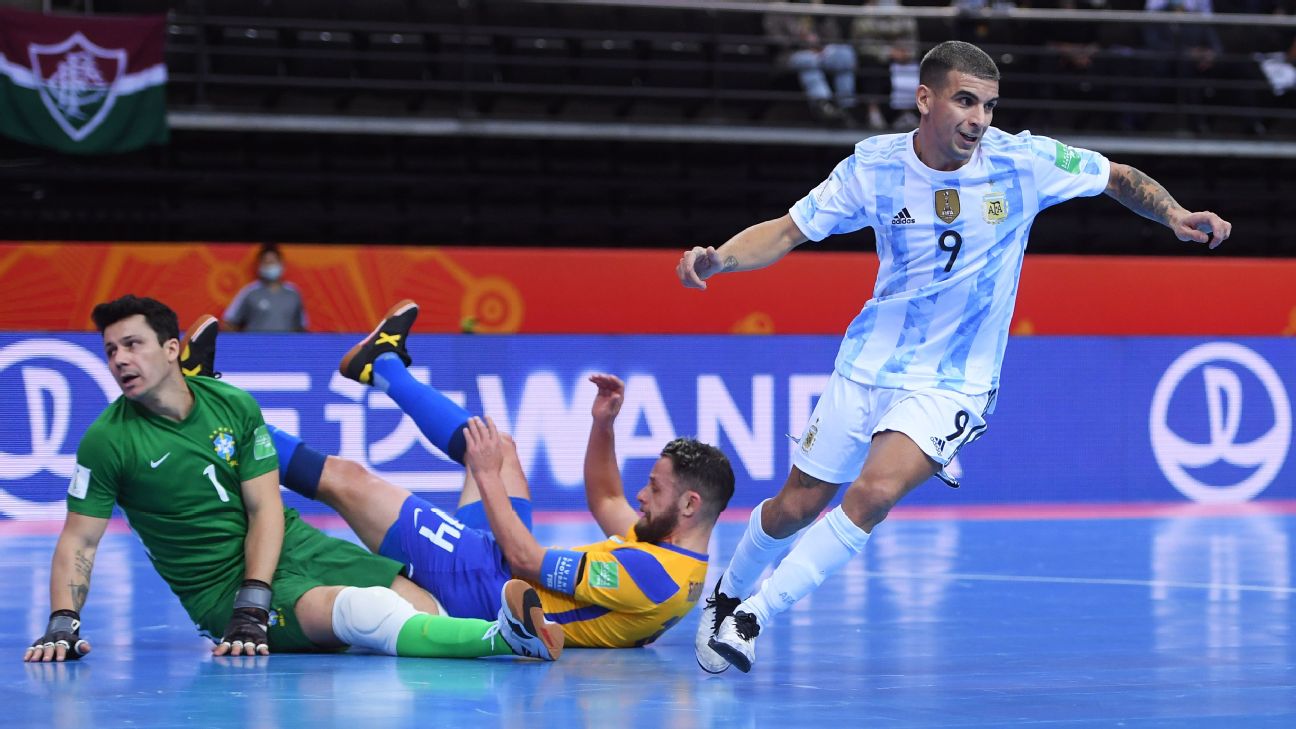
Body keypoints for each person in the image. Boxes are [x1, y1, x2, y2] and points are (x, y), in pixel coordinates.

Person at [677, 40, 1231, 674]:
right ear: (925, 99)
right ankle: (726, 593)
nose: (979, 119)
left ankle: (755, 615)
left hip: (955, 380)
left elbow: (1116, 177)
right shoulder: (874, 168)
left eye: (989, 106)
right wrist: (718, 258)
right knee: (796, 505)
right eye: (965, 101)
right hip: (868, 362)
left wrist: (1177, 216)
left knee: (876, 491)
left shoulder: (1021, 161)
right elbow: (785, 230)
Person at [23, 295, 561, 663]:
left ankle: (381, 365)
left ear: (169, 348)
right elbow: (79, 539)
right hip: (219, 588)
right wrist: (63, 621)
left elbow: (265, 509)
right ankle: (504, 639)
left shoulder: (234, 406)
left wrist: (256, 601)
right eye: (110, 350)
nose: (119, 359)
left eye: (132, 345)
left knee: (424, 610)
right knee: (364, 610)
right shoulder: (107, 440)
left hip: (296, 546)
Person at [190, 300, 736, 649]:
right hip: (497, 569)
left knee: (347, 480)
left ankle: (207, 402)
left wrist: (487, 476)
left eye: (656, 488)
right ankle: (380, 364)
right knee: (499, 445)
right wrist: (603, 427)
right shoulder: (675, 558)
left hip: (482, 586)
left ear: (689, 505)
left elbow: (526, 560)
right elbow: (605, 495)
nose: (642, 497)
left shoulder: (649, 574)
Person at [764, 1, 860, 125]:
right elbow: (775, 39)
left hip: (822, 52)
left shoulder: (816, 8)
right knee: (808, 60)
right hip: (792, 54)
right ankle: (823, 104)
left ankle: (846, 106)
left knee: (845, 54)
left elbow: (835, 37)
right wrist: (802, 44)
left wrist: (821, 17)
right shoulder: (777, 9)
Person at [223, 243, 308, 332]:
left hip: (286, 345)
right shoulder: (249, 292)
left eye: (272, 262)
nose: (269, 266)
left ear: (281, 264)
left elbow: (302, 327)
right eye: (266, 262)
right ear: (259, 266)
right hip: (256, 345)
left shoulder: (293, 293)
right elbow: (229, 323)